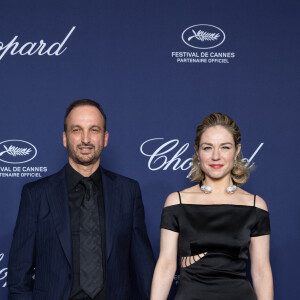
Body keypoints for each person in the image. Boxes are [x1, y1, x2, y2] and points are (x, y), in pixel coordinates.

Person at [8, 99, 155, 300]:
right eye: (77, 130)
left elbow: (144, 268)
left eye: (94, 130)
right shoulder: (36, 195)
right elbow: (18, 275)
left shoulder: (128, 192)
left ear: (105, 138)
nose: (85, 139)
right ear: (65, 138)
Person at [150, 113, 273, 300]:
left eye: (225, 147)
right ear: (197, 151)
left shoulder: (255, 206)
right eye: (208, 148)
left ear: (237, 150)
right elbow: (166, 265)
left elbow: (261, 271)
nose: (216, 156)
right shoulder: (177, 202)